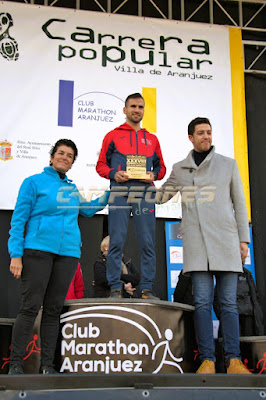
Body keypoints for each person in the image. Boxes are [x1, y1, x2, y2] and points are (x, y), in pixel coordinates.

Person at [8, 139, 108, 375]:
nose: (65, 157)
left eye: (70, 155)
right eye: (61, 153)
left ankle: (47, 366)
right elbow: (18, 220)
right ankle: (15, 365)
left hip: (68, 255)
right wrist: (16, 255)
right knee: (30, 308)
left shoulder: (71, 190)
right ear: (52, 156)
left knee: (53, 310)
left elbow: (88, 209)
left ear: (73, 162)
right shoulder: (33, 182)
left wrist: (111, 192)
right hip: (37, 251)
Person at [159, 117, 251, 374]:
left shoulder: (228, 164)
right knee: (201, 302)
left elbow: (240, 205)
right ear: (191, 137)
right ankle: (207, 360)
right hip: (198, 245)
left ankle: (234, 360)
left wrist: (243, 240)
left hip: (227, 242)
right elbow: (162, 195)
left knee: (229, 303)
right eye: (201, 133)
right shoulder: (180, 168)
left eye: (209, 132)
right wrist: (141, 181)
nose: (206, 137)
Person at [96, 93, 166, 299]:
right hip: (119, 191)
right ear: (125, 110)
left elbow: (161, 168)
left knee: (147, 242)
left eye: (140, 107)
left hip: (144, 193)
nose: (137, 110)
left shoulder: (152, 139)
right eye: (133, 106)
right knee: (116, 241)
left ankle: (146, 289)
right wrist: (113, 174)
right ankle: (115, 288)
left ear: (144, 111)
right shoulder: (113, 135)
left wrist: (153, 175)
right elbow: (101, 165)